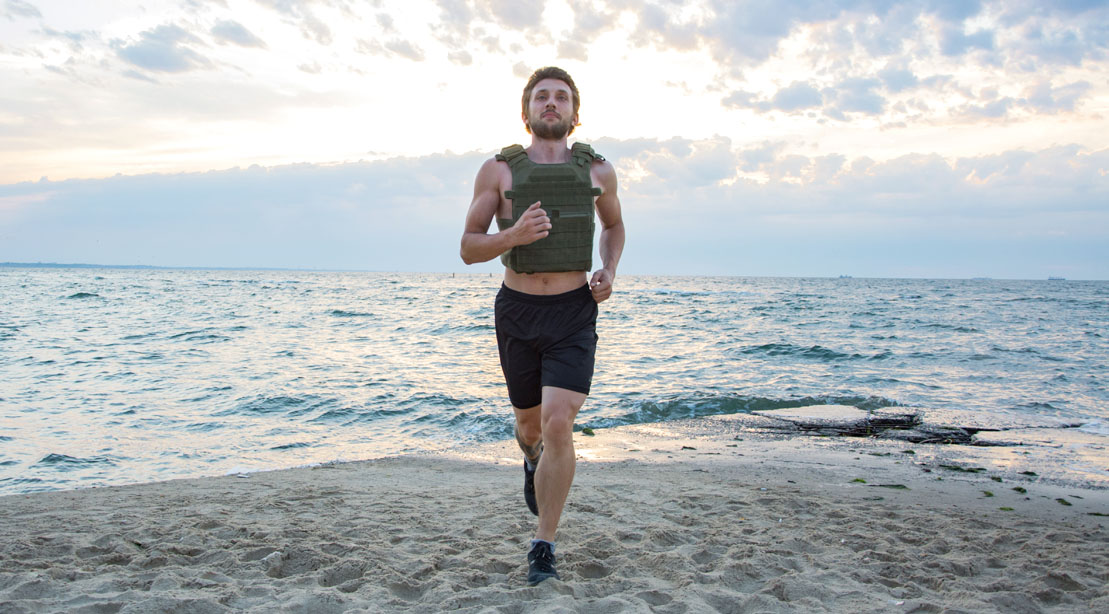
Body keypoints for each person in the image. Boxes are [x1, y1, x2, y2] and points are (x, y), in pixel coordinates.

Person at [459, 66, 625, 585]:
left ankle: (544, 544)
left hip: (574, 310)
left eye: (561, 98)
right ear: (527, 110)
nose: (550, 104)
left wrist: (609, 270)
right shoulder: (499, 171)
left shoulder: (598, 171)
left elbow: (614, 226)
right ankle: (530, 457)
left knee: (559, 421)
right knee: (531, 427)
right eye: (541, 97)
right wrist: (514, 237)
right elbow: (468, 247)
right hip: (517, 310)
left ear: (575, 112)